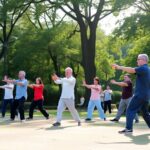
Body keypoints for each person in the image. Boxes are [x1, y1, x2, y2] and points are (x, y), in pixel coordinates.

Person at [112, 54, 150, 134]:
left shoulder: (143, 68)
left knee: (130, 109)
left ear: (143, 60)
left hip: (140, 95)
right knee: (145, 114)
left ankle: (128, 129)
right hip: (145, 95)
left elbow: (131, 70)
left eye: (138, 59)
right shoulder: (147, 69)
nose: (137, 61)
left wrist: (119, 67)